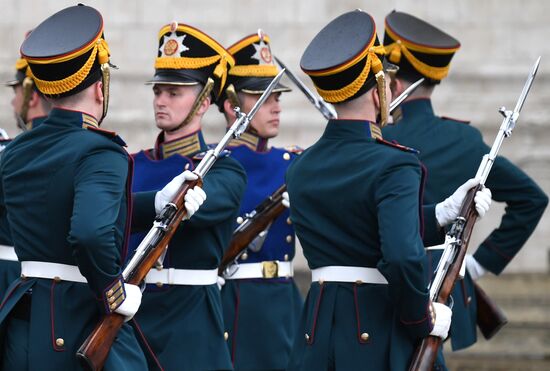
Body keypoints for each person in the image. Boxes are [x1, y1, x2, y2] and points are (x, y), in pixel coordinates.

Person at [284, 10, 491, 370]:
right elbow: (400, 256)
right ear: (380, 86)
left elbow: (356, 225)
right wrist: (423, 320)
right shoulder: (394, 164)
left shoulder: (301, 166)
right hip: (376, 329)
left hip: (316, 330)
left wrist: (440, 213)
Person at [0, 5, 201, 370]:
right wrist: (113, 291)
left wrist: (156, 202)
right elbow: (89, 234)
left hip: (22, 316)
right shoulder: (100, 151)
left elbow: (57, 207)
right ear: (100, 84)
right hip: (75, 318)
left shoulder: (16, 150)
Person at [382, 10, 548, 369]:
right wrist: (476, 264)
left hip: (380, 297)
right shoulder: (464, 141)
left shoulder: (380, 142)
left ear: (394, 83)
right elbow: (532, 199)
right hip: (439, 297)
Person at [129, 21, 246, 370]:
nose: (161, 101)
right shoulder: (130, 165)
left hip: (191, 324)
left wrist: (192, 196)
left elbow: (215, 196)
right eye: (158, 91)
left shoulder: (224, 169)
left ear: (205, 101)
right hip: (133, 319)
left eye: (174, 93)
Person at [217, 31, 302, 370]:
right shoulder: (214, 166)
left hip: (285, 301)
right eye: (263, 97)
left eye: (277, 97)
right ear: (231, 105)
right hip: (237, 304)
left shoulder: (293, 163)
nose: (276, 107)